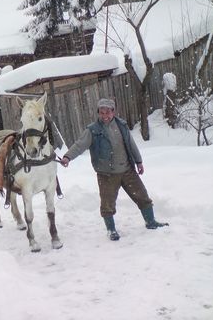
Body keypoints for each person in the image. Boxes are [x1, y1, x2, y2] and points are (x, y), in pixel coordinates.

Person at [60, 98, 168, 241]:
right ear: (98, 113)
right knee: (107, 204)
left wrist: (139, 161)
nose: (105, 115)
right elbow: (80, 145)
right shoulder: (92, 130)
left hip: (127, 170)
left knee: (142, 195)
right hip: (107, 174)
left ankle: (151, 221)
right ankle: (111, 230)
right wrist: (67, 157)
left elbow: (131, 144)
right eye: (102, 112)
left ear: (113, 112)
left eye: (108, 112)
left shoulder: (121, 125)